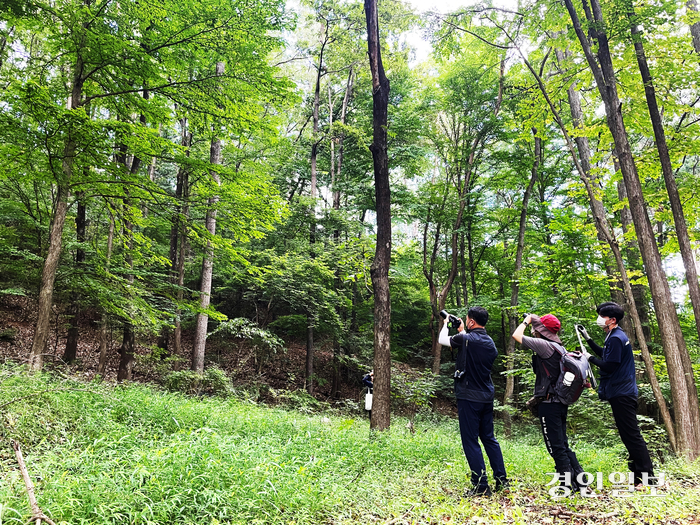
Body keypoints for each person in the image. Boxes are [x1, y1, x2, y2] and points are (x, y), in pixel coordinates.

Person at [577, 302, 654, 487]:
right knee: (628, 434)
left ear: (612, 320)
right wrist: (588, 340)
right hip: (621, 391)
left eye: (602, 316)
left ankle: (647, 478)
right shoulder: (613, 336)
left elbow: (610, 365)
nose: (599, 319)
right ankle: (638, 477)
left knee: (631, 434)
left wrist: (589, 359)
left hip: (622, 392)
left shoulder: (616, 338)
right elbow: (607, 354)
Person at [438, 306, 508, 496]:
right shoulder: (489, 342)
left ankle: (481, 486)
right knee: (489, 438)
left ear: (471, 321)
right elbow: (472, 346)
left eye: (467, 320)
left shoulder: (466, 339)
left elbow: (442, 340)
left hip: (469, 396)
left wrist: (446, 324)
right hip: (486, 396)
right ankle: (502, 480)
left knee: (470, 441)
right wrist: (462, 330)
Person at [513, 313, 587, 493]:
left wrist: (527, 320)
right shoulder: (558, 347)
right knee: (562, 443)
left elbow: (517, 335)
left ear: (541, 330)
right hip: (559, 402)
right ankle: (580, 481)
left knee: (555, 446)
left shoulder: (544, 345)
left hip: (549, 402)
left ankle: (566, 485)